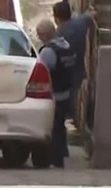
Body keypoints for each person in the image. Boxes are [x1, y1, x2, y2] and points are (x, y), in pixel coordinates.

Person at [36, 18, 77, 168]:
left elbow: (39, 72)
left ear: (45, 34)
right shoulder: (65, 45)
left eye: (39, 34)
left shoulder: (48, 51)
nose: (39, 38)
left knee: (54, 128)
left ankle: (56, 159)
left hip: (54, 96)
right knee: (60, 126)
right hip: (66, 92)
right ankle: (62, 152)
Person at [52, 1, 95, 124]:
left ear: (57, 18)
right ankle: (77, 121)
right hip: (79, 69)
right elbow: (92, 15)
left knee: (67, 102)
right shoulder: (80, 23)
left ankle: (70, 119)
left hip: (64, 75)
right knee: (77, 97)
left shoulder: (58, 34)